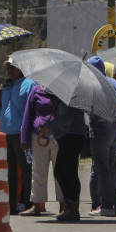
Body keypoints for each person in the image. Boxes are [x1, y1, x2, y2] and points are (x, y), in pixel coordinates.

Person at [0, 58, 34, 215]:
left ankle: (29, 203)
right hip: (6, 133)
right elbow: (1, 110)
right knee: (10, 171)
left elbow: (33, 108)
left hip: (22, 133)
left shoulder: (29, 85)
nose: (9, 71)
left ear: (21, 68)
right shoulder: (6, 87)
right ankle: (11, 205)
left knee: (26, 170)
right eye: (8, 68)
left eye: (12, 67)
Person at [86, 57, 116, 217]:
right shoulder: (115, 83)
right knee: (110, 168)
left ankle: (106, 206)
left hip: (101, 129)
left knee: (101, 168)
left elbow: (92, 109)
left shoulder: (94, 84)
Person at [20, 83, 60, 216]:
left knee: (60, 172)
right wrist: (24, 139)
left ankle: (64, 206)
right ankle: (36, 205)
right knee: (37, 172)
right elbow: (28, 115)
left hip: (58, 136)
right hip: (38, 136)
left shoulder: (64, 89)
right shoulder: (36, 90)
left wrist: (52, 124)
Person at [47, 92, 87, 221]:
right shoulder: (62, 96)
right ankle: (69, 205)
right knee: (60, 171)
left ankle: (73, 208)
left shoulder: (70, 96)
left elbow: (66, 119)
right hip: (67, 136)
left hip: (72, 136)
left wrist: (49, 124)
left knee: (69, 172)